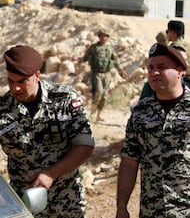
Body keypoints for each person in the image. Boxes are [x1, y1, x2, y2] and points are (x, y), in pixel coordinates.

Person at [0, 45, 95, 218]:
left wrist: (50, 174)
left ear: (37, 76)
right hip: (26, 203)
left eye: (22, 81)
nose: (15, 88)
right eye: (11, 81)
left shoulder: (65, 99)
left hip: (67, 199)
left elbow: (84, 145)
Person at [116, 43, 190, 218]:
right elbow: (129, 161)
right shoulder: (140, 112)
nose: (154, 72)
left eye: (162, 67)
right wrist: (121, 206)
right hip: (153, 210)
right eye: (151, 68)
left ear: (180, 71)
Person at [81, 28, 127, 121]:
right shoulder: (93, 47)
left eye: (106, 36)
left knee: (105, 95)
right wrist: (78, 60)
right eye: (102, 36)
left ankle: (99, 115)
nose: (104, 38)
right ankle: (92, 113)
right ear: (99, 36)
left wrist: (120, 70)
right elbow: (85, 57)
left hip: (107, 74)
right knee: (98, 92)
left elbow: (116, 60)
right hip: (97, 73)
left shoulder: (109, 48)